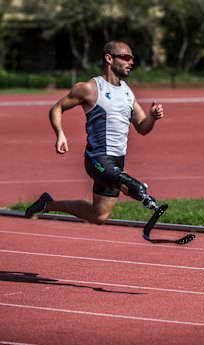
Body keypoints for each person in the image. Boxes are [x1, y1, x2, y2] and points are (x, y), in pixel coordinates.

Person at [25, 41, 164, 224]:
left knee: (98, 216)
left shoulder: (128, 93)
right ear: (109, 58)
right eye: (126, 57)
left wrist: (152, 117)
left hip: (117, 160)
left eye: (132, 58)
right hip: (97, 158)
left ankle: (47, 204)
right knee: (133, 186)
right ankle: (148, 200)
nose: (131, 62)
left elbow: (142, 127)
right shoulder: (90, 89)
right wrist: (60, 134)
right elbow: (57, 108)